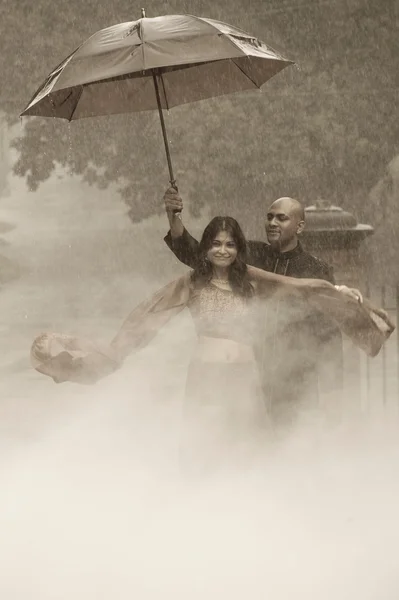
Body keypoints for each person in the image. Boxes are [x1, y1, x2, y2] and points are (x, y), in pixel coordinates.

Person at [31, 217, 393, 455]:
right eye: (216, 243)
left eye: (230, 244)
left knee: (248, 447)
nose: (223, 249)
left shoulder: (250, 279)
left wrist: (339, 291)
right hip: (206, 377)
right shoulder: (192, 282)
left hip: (244, 377)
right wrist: (175, 218)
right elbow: (147, 316)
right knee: (206, 446)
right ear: (206, 247)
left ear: (238, 249)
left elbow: (299, 287)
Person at [163, 190, 346, 423]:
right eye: (269, 217)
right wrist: (174, 216)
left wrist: (333, 393)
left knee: (294, 451)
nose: (272, 222)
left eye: (281, 218)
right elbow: (199, 255)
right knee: (249, 450)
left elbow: (328, 333)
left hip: (297, 380)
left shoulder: (316, 270)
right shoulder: (252, 254)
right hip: (251, 375)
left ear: (299, 227)